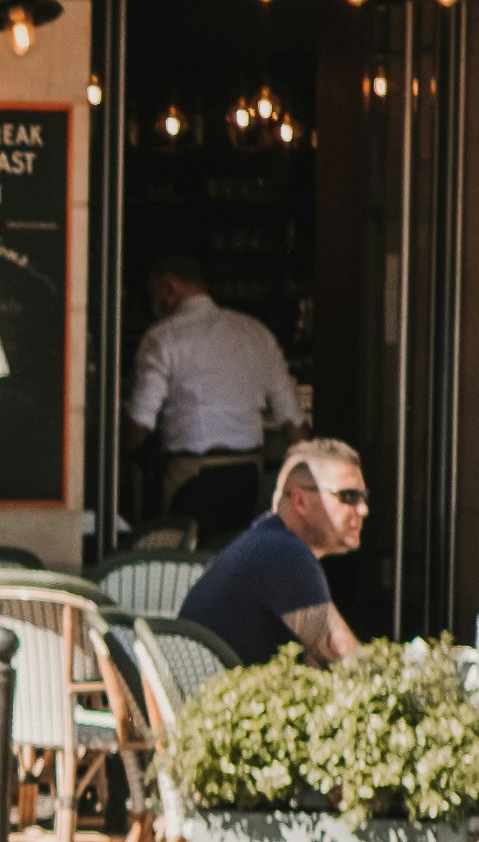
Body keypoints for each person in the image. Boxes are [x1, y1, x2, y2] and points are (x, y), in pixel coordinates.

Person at [124, 259, 298, 538]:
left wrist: (123, 456)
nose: (151, 302)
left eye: (153, 292)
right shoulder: (255, 332)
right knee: (235, 557)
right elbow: (293, 421)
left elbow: (139, 425)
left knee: (185, 564)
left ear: (170, 287)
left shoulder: (162, 338)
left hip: (192, 475)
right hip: (249, 474)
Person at [178, 443, 370, 667]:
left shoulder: (268, 541)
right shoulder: (283, 552)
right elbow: (344, 657)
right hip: (231, 698)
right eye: (348, 496)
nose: (363, 509)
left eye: (363, 497)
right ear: (300, 501)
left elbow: (317, 658)